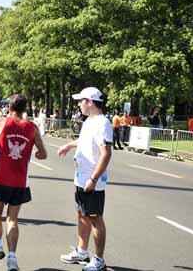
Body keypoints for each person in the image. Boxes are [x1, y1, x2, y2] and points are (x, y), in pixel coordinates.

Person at [0, 94, 47, 271]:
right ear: (25, 109)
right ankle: (12, 259)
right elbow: (43, 154)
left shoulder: (2, 122)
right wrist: (35, 153)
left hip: (1, 178)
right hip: (20, 181)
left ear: (10, 107)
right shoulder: (33, 127)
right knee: (12, 219)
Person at [57, 87, 113, 271]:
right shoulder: (89, 121)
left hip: (92, 180)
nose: (79, 104)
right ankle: (82, 252)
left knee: (95, 218)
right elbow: (83, 141)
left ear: (90, 101)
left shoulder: (103, 123)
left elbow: (106, 153)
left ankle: (99, 260)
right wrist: (69, 146)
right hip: (81, 178)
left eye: (81, 101)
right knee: (82, 215)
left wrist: (94, 179)